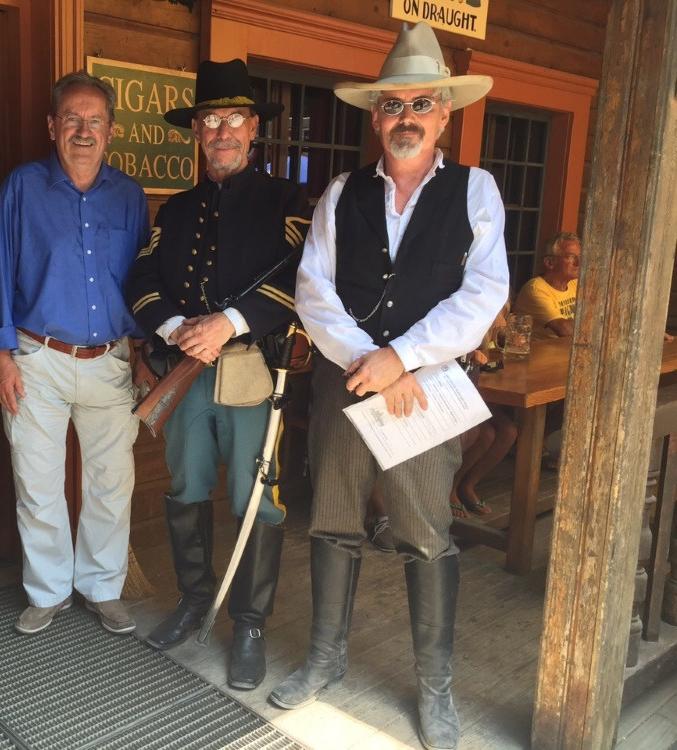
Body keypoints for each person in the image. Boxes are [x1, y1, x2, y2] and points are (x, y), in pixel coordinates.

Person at [270, 23, 509, 750]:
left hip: (423, 390)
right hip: (346, 385)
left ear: (445, 114)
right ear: (375, 116)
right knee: (333, 521)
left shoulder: (475, 190)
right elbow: (312, 290)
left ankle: (434, 690)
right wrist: (364, 363)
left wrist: (400, 360)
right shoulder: (341, 192)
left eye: (421, 104)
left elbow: (484, 294)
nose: (407, 117)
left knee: (425, 536)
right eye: (393, 105)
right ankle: (325, 658)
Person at [126, 59, 311, 691]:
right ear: (197, 131)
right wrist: (176, 325)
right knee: (186, 486)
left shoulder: (287, 200)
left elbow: (301, 279)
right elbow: (142, 278)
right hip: (185, 370)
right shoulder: (176, 210)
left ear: (254, 128)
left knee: (255, 496)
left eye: (234, 119)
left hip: (253, 372)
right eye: (210, 120)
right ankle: (193, 599)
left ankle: (250, 624)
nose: (222, 131)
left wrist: (228, 322)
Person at [0, 72, 148, 637]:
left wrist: (143, 354)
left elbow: (141, 281)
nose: (83, 130)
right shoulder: (23, 187)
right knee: (37, 482)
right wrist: (0, 354)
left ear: (111, 131)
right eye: (72, 119)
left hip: (112, 360)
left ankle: (103, 588)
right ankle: (48, 590)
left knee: (112, 483)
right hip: (37, 358)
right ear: (52, 126)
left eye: (95, 120)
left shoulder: (129, 196)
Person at [450, 303, 518, 518]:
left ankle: (467, 484)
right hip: (456, 389)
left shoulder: (494, 309)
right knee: (485, 433)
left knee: (508, 431)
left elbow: (500, 339)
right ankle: (451, 487)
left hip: (476, 386)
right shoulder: (460, 308)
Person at [514, 231, 580, 339]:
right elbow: (564, 330)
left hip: (565, 348)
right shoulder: (535, 289)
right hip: (539, 349)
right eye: (570, 257)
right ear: (550, 263)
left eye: (579, 256)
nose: (578, 262)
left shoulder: (575, 284)